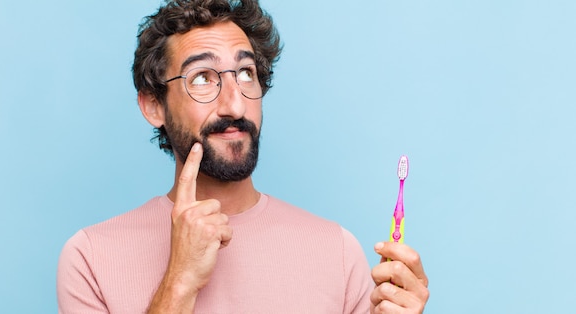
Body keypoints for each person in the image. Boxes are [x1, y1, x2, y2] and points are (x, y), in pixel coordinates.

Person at [56, 0, 430, 313]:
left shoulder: (338, 251)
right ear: (154, 105)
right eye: (202, 77)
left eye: (246, 73)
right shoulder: (91, 258)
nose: (234, 103)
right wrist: (180, 282)